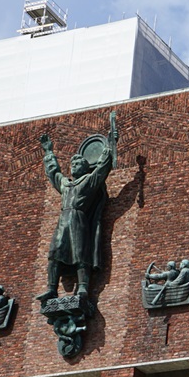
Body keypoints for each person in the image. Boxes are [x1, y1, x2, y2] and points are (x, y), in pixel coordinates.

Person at [37, 112, 118, 301]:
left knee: (81, 252)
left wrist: (109, 147)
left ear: (84, 167)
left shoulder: (88, 181)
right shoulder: (66, 184)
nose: (73, 166)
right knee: (55, 252)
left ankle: (83, 287)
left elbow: (102, 169)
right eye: (72, 164)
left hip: (79, 219)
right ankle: (51, 288)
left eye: (78, 163)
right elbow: (53, 173)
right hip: (63, 220)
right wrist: (49, 152)